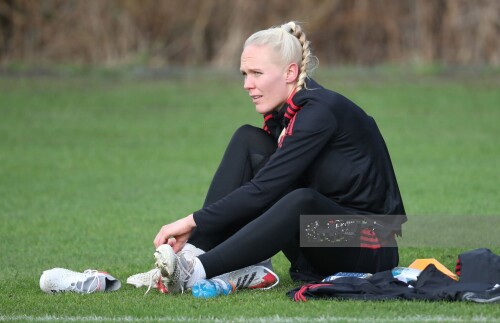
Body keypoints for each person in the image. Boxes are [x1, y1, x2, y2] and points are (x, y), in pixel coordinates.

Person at [149, 21, 406, 293]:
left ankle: (194, 271)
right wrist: (196, 232)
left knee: (301, 200)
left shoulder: (320, 112)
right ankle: (188, 255)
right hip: (320, 237)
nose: (248, 84)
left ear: (290, 72)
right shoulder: (286, 112)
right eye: (244, 74)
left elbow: (264, 190)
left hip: (370, 246)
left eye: (257, 73)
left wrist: (189, 221)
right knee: (247, 140)